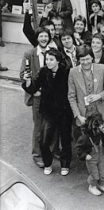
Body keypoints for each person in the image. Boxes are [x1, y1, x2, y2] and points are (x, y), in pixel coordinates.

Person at [68, 45, 104, 181]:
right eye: (82, 60)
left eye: (88, 59)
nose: (85, 62)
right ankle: (94, 174)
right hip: (85, 116)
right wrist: (78, 116)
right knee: (91, 146)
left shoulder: (102, 68)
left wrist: (99, 96)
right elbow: (71, 96)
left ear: (92, 58)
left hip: (101, 112)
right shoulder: (73, 72)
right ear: (78, 60)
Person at [22, 48, 73, 176]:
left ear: (58, 60)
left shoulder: (66, 72)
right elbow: (33, 86)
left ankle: (65, 164)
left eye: (51, 60)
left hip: (64, 111)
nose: (48, 62)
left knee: (65, 140)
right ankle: (48, 163)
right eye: (47, 60)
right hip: (48, 111)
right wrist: (27, 81)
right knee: (44, 140)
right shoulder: (43, 72)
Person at [20, 27, 52, 168]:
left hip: (50, 95)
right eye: (41, 36)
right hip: (38, 95)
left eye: (46, 36)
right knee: (39, 126)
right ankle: (37, 154)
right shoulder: (30, 54)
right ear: (37, 38)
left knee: (51, 124)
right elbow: (23, 75)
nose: (44, 39)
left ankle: (50, 151)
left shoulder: (52, 53)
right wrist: (33, 90)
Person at [75, 113, 104, 196]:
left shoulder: (100, 132)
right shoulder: (85, 137)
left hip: (100, 156)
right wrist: (84, 155)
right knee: (95, 175)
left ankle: (101, 184)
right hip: (91, 158)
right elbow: (78, 148)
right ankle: (92, 186)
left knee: (103, 174)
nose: (101, 127)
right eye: (99, 126)